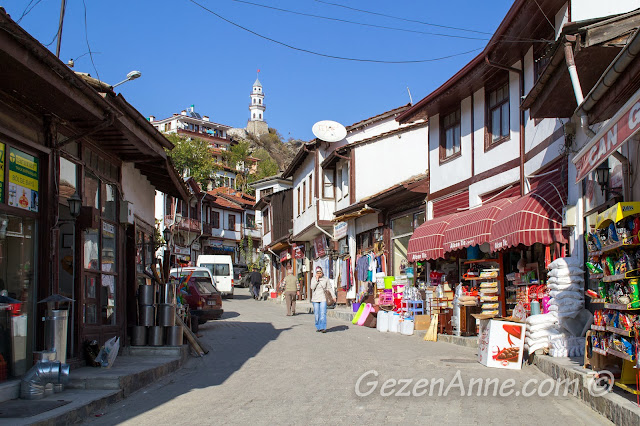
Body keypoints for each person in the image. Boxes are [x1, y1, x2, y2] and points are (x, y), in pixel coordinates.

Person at [310, 266, 330, 333]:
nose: (319, 274)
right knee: (317, 314)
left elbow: (329, 288)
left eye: (320, 272)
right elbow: (312, 287)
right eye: (317, 272)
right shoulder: (313, 279)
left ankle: (323, 327)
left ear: (322, 272)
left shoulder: (326, 279)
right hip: (315, 299)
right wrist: (316, 280)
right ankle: (318, 326)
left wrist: (333, 296)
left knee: (323, 313)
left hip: (323, 298)